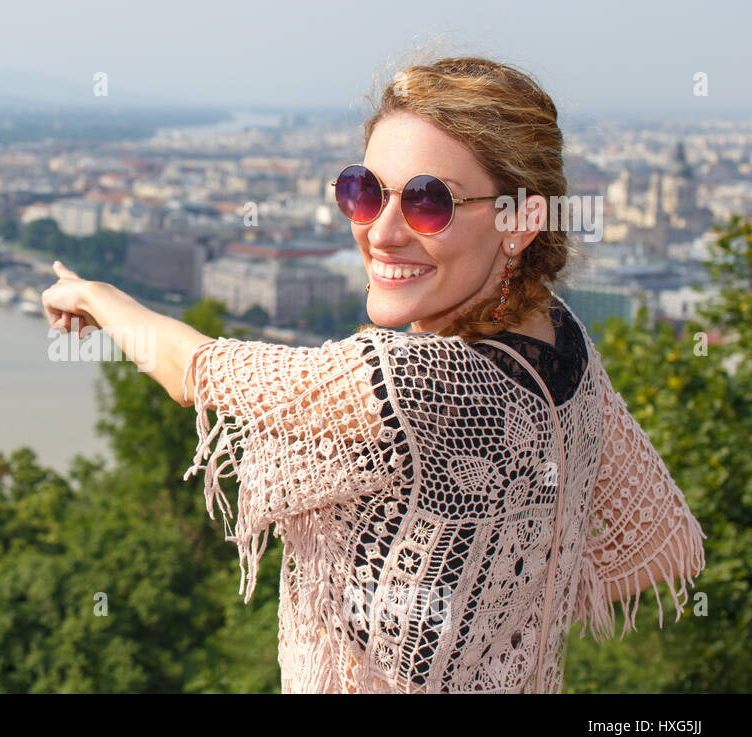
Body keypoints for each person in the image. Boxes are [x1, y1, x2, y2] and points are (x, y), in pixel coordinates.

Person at [39, 56, 707, 693]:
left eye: (428, 203)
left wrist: (98, 299)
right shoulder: (566, 344)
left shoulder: (412, 381)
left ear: (520, 222)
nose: (381, 232)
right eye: (364, 191)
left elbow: (197, 371)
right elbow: (668, 544)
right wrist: (504, 609)